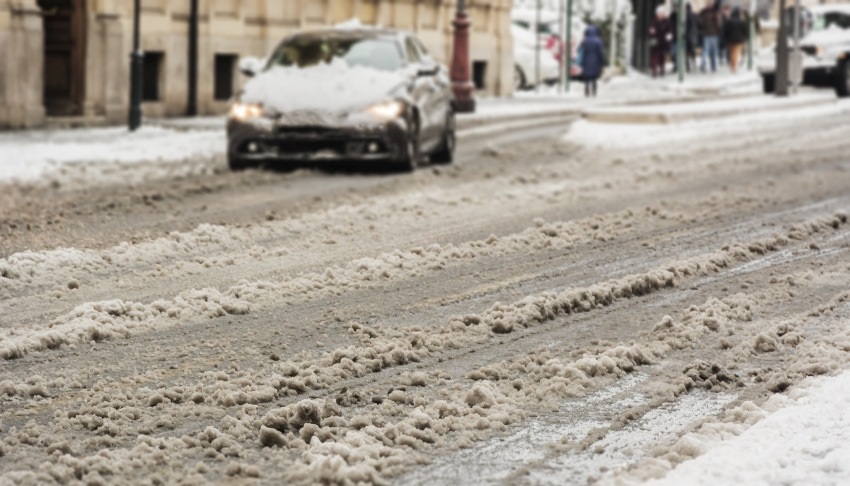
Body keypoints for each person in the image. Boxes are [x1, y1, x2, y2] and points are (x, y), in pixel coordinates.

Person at [578, 25, 606, 97]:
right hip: (595, 61)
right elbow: (600, 52)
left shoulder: (585, 41)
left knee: (587, 76)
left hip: (586, 60)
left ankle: (586, 89)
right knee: (594, 77)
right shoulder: (598, 41)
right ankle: (594, 90)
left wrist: (581, 62)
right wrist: (602, 61)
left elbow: (580, 51)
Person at [699, 0, 722, 72]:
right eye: (708, 3)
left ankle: (713, 66)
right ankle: (704, 64)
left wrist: (717, 19)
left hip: (714, 35)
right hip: (707, 34)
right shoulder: (703, 12)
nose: (709, 4)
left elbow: (719, 24)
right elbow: (700, 23)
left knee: (713, 52)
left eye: (710, 3)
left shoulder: (716, 13)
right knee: (706, 50)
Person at [648, 6, 672, 77]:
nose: (661, 15)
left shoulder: (666, 22)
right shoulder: (653, 22)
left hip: (663, 42)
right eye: (659, 13)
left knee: (662, 56)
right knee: (654, 56)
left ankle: (662, 69)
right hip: (655, 41)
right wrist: (651, 32)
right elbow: (650, 29)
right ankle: (654, 71)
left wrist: (669, 35)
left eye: (662, 13)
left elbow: (670, 30)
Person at [722, 7, 747, 73]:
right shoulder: (741, 21)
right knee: (736, 53)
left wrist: (725, 38)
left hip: (730, 40)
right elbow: (744, 31)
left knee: (731, 53)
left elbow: (725, 30)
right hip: (738, 40)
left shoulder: (728, 21)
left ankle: (732, 65)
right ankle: (734, 67)